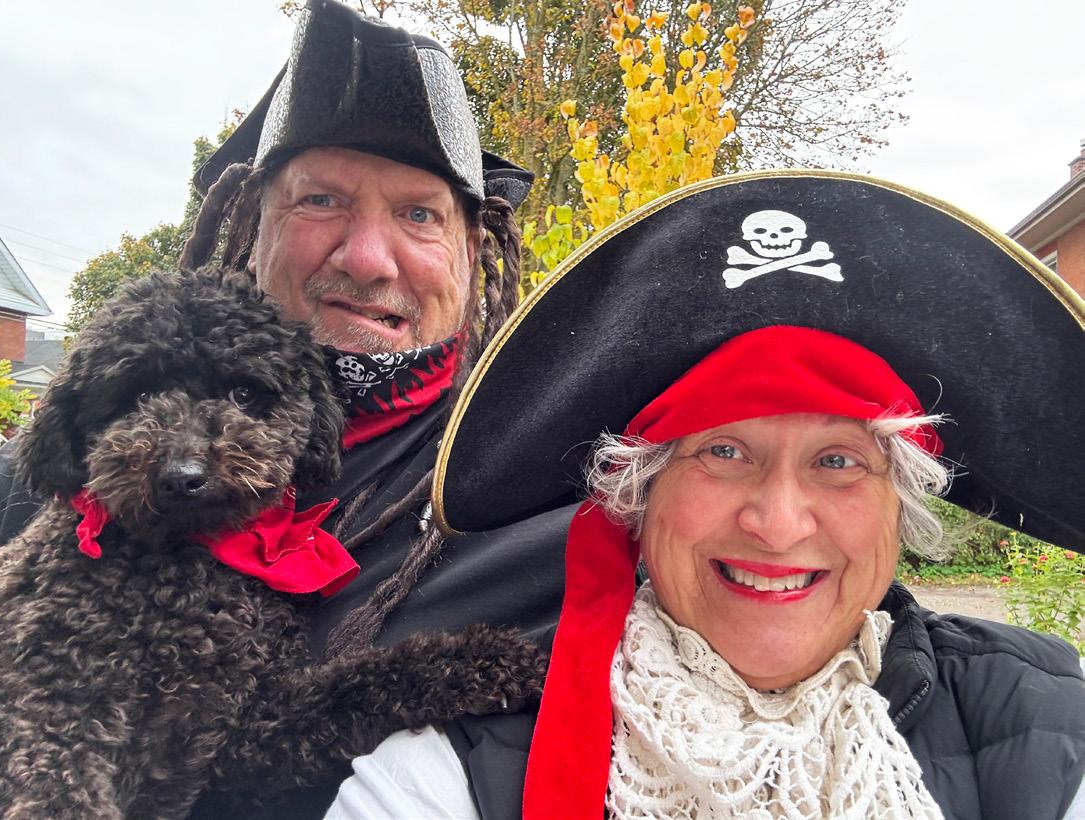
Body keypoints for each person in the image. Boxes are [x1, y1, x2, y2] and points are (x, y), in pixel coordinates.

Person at [0, 2, 570, 816]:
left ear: (474, 253)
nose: (367, 259)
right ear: (251, 224)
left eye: (419, 214)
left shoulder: (540, 495)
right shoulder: (37, 482)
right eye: (321, 200)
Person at [423, 172, 1085, 819]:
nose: (777, 523)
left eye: (837, 461)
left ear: (899, 509)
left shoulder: (1051, 726)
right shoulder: (455, 760)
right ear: (640, 496)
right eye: (724, 452)